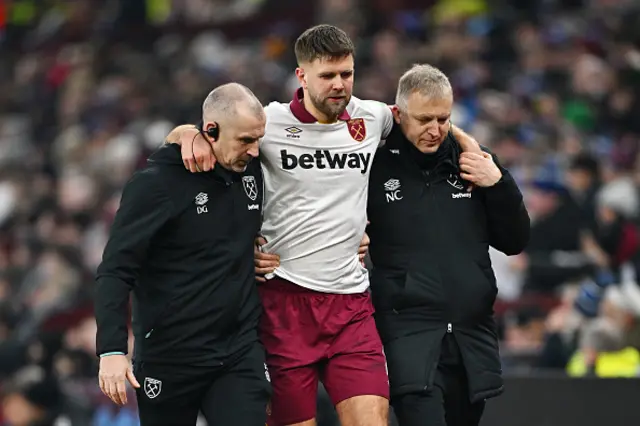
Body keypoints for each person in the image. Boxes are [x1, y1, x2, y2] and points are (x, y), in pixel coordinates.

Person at [166, 25, 482, 426]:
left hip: (351, 304)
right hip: (283, 304)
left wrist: (474, 149)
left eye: (346, 74)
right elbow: (219, 143)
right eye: (328, 76)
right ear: (302, 76)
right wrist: (185, 135)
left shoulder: (372, 118)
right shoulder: (271, 124)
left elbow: (425, 120)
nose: (339, 85)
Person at [94, 83, 271, 426]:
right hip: (169, 357)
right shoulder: (156, 184)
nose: (255, 150)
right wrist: (112, 350)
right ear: (211, 131)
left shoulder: (248, 167)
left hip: (237, 352)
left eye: (258, 139)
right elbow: (116, 269)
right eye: (245, 141)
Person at [365, 64, 531, 426]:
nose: (435, 130)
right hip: (409, 332)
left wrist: (498, 183)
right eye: (424, 119)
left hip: (471, 335)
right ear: (398, 114)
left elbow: (515, 241)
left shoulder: (473, 160)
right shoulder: (372, 165)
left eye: (443, 119)